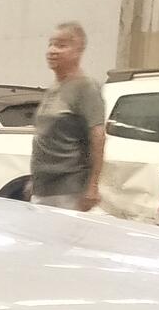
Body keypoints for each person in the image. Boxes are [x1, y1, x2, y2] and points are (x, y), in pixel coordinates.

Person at [30, 20, 105, 212]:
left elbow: (98, 136)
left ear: (79, 51)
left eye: (61, 45)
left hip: (69, 189)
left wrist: (93, 186)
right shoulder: (54, 87)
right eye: (51, 44)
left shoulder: (85, 87)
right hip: (43, 188)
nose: (52, 51)